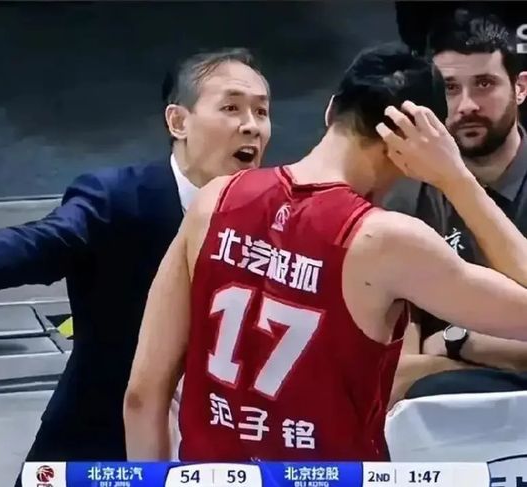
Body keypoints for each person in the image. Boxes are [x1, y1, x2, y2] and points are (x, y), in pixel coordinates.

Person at [0, 48, 271, 477]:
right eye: (231, 108)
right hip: (99, 438)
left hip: (228, 445)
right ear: (178, 122)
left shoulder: (275, 212)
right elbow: (45, 241)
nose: (251, 126)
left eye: (262, 112)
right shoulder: (118, 198)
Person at [123, 42, 527, 462]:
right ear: (415, 145)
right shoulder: (386, 241)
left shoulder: (214, 199)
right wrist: (456, 179)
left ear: (331, 110)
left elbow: (142, 395)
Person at [384, 11, 527, 404]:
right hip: (442, 420)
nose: (466, 105)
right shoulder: (405, 198)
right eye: (449, 88)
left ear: (520, 88)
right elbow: (396, 375)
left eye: (484, 84)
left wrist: (460, 342)